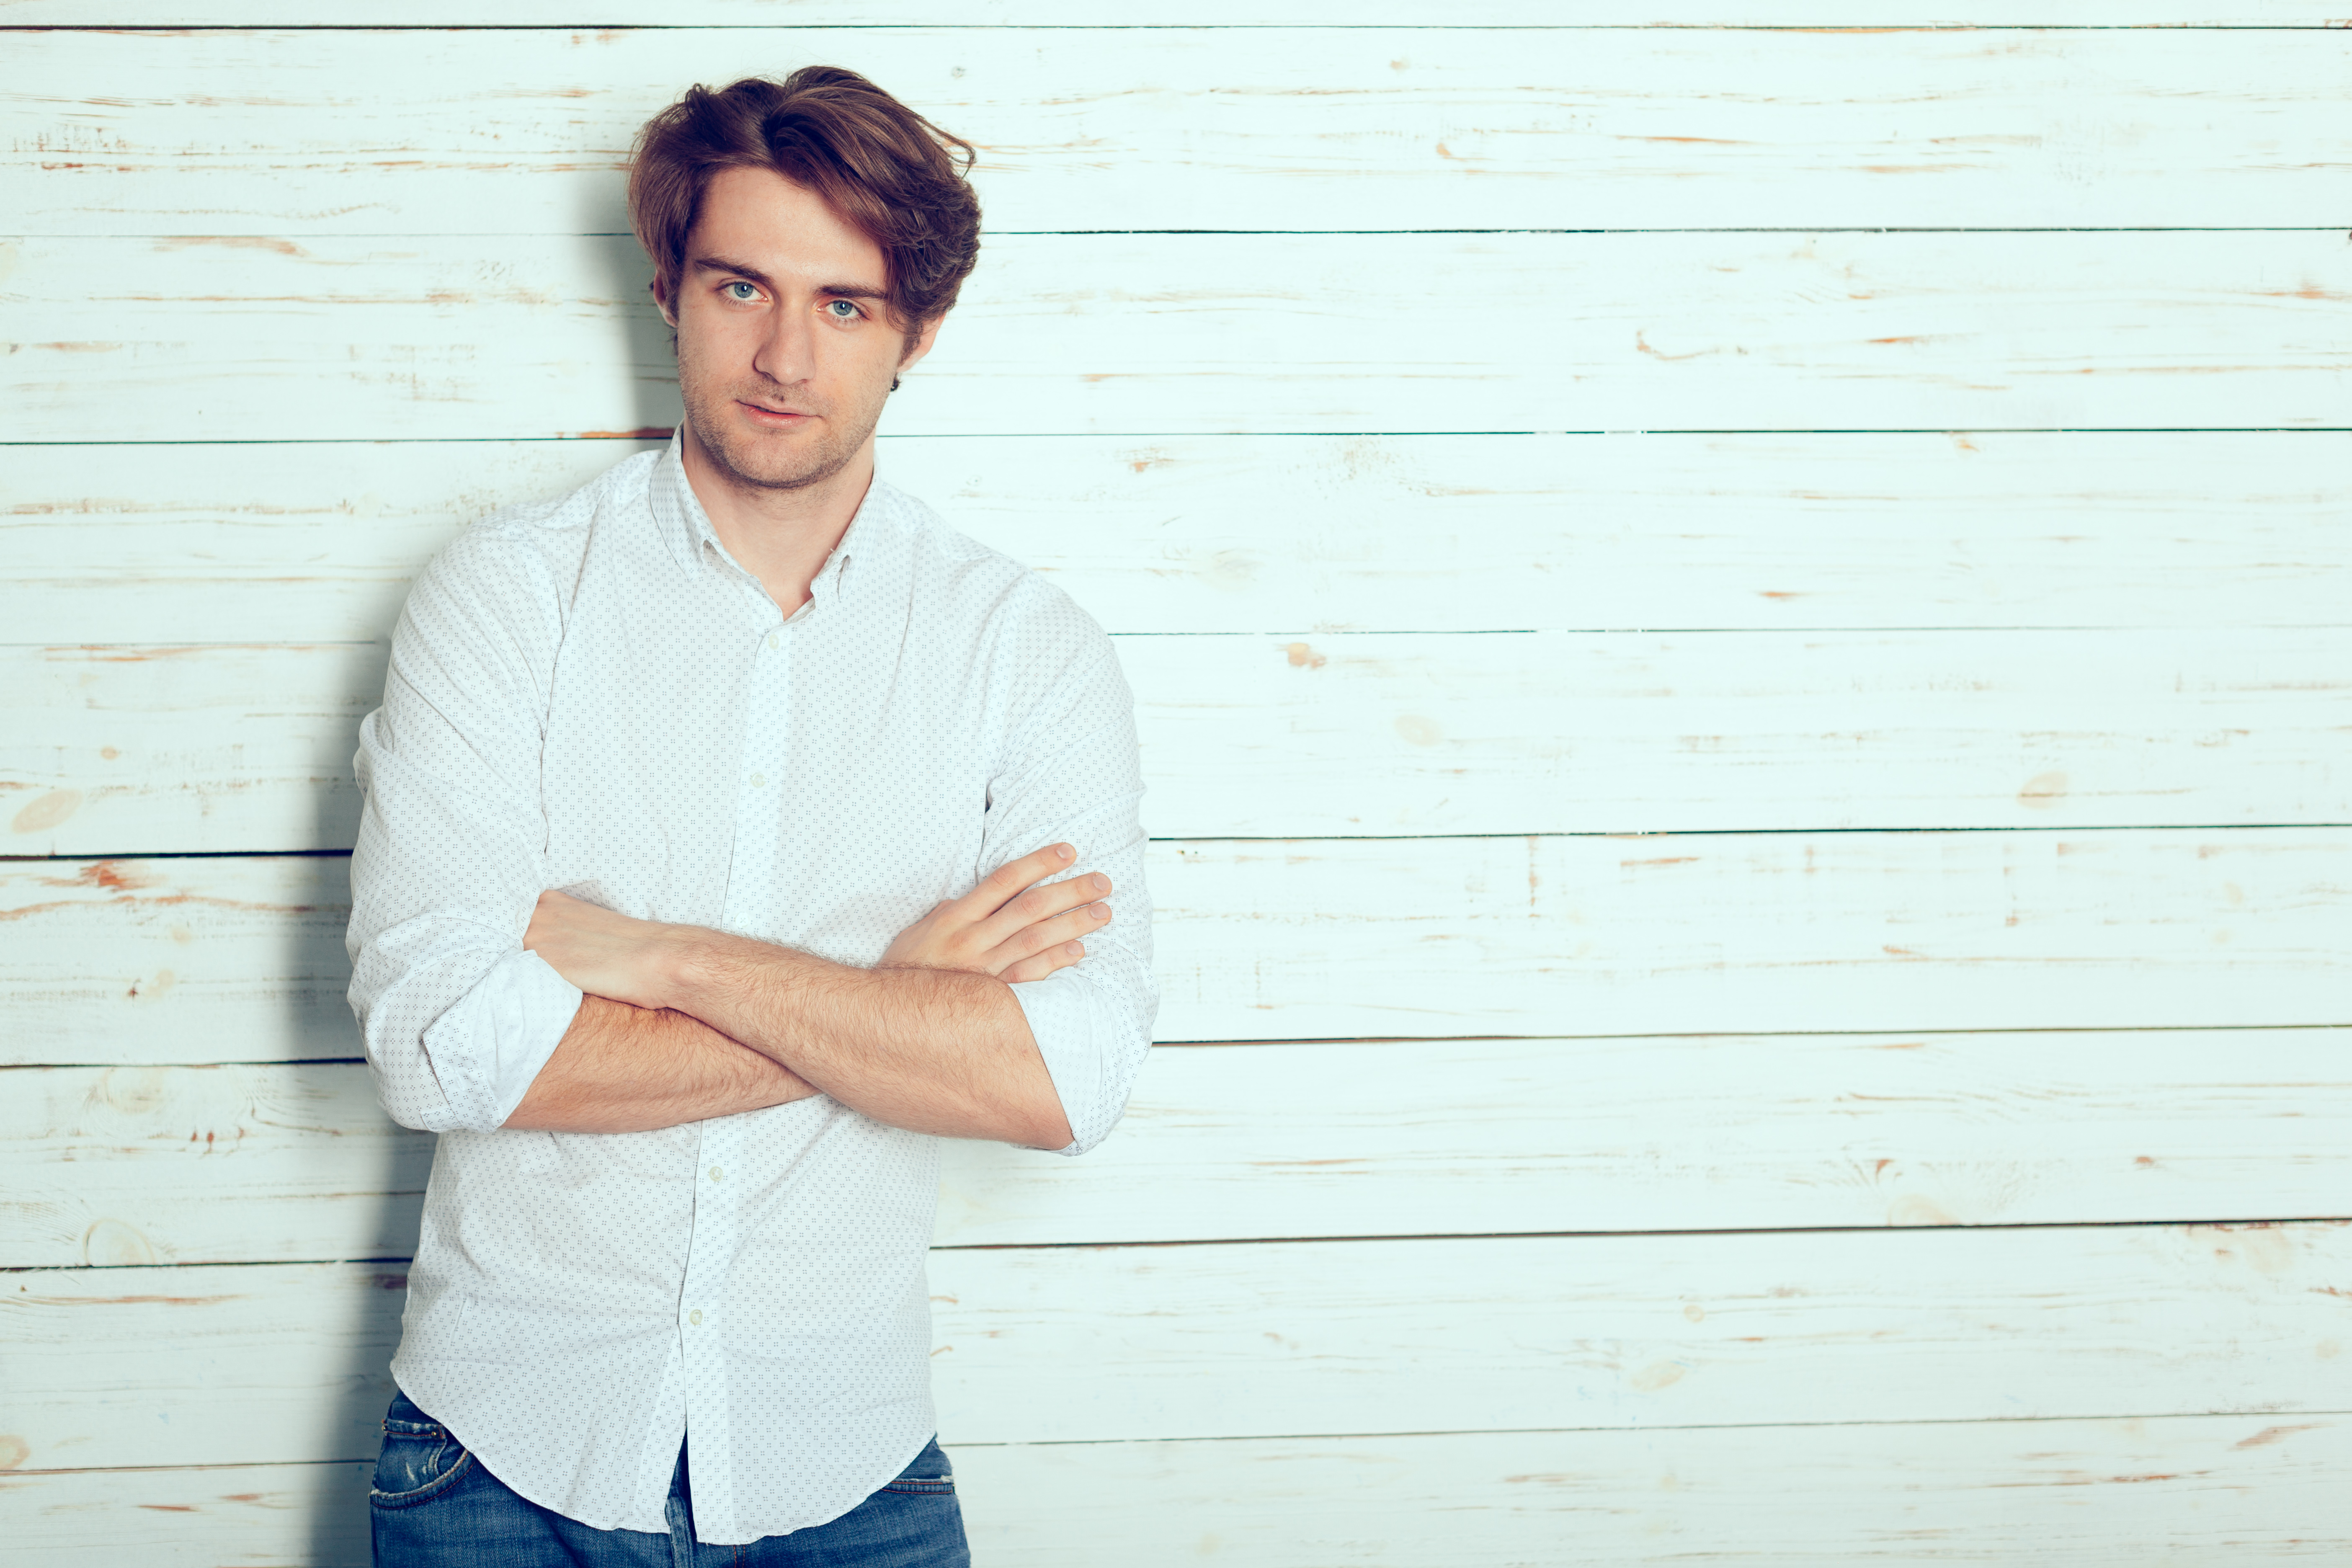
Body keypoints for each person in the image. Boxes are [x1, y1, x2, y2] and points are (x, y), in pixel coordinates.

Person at [344, 66, 1155, 1565]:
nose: (786, 354)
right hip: (494, 1464)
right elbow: (442, 1041)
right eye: (742, 286)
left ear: (918, 330)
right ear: (669, 287)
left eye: (847, 305)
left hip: (844, 1469)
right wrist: (900, 1012)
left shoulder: (1021, 649)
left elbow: (1068, 1079)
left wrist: (670, 961)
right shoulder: (508, 599)